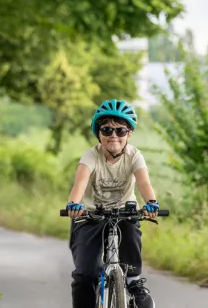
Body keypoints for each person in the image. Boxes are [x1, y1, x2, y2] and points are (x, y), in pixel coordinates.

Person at [65, 99, 159, 308]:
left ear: (129, 133)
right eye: (106, 130)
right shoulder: (91, 156)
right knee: (85, 275)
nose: (113, 136)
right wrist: (74, 205)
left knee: (132, 234)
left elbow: (144, 182)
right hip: (90, 215)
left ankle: (133, 281)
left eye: (120, 131)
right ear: (98, 133)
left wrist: (151, 203)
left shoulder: (134, 156)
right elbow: (79, 185)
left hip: (124, 212)